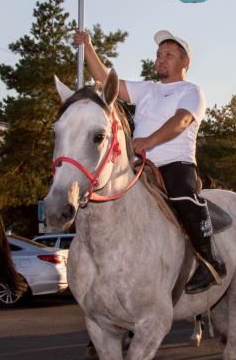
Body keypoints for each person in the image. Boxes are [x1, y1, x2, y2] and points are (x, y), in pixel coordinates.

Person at [74, 28, 222, 294]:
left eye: (169, 55)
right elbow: (107, 81)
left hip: (175, 164)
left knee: (182, 196)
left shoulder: (191, 91)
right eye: (159, 54)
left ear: (184, 63)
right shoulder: (147, 90)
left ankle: (211, 261)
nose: (161, 59)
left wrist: (148, 141)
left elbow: (183, 121)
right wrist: (88, 46)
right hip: (137, 166)